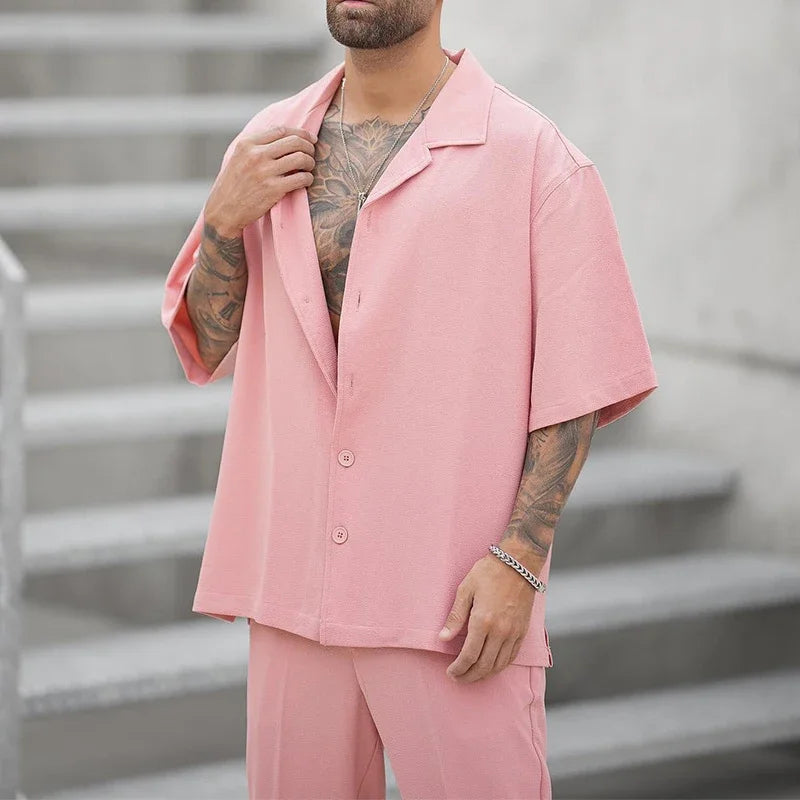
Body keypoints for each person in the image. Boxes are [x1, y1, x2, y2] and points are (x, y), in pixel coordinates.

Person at [161, 1, 659, 797]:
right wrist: (222, 221)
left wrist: (519, 561)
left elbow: (577, 383)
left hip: (452, 597)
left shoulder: (536, 158)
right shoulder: (268, 142)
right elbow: (212, 340)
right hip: (294, 585)